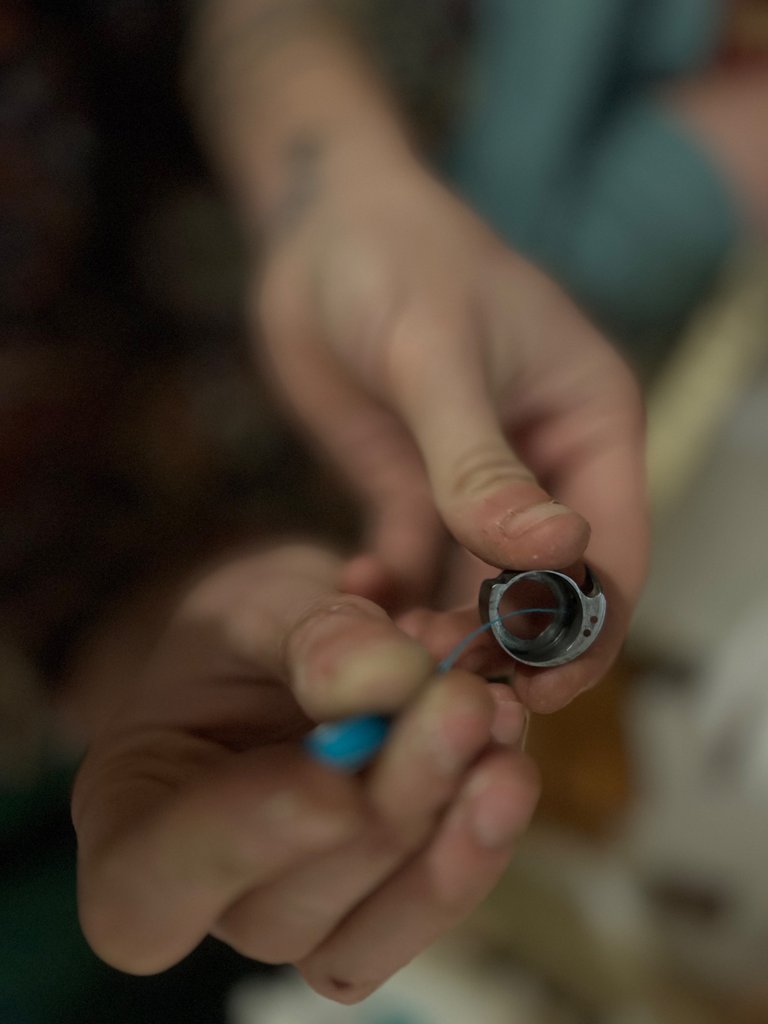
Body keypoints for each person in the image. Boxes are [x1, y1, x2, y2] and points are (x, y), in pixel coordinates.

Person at [71, 0, 652, 1003]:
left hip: (415, 141)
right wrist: (185, 632)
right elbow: (64, 611)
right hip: (240, 525)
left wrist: (340, 179)